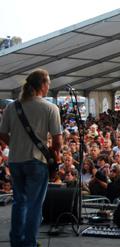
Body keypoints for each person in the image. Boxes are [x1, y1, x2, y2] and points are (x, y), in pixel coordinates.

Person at [0, 69, 62, 247]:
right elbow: (58, 140)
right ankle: (29, 243)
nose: (49, 86)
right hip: (37, 162)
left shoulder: (12, 107)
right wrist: (52, 151)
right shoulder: (50, 108)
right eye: (48, 82)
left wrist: (16, 144)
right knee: (34, 205)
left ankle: (16, 242)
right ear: (42, 85)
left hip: (16, 161)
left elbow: (2, 133)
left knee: (20, 202)